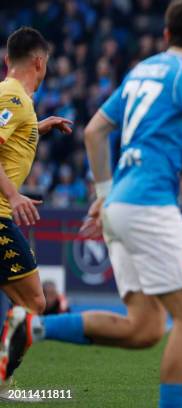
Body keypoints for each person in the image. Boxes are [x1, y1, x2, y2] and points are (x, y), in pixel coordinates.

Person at [1, 2, 182, 407]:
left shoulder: (142, 69)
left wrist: (105, 195)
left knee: (145, 329)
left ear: (165, 36)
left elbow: (95, 131)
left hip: (121, 205)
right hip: (149, 204)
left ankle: (33, 329)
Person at [0, 26, 72, 386]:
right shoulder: (13, 97)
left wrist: (38, 128)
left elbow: (8, 137)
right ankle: (2, 377)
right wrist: (13, 195)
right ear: (40, 63)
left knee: (29, 302)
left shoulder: (17, 102)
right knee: (33, 302)